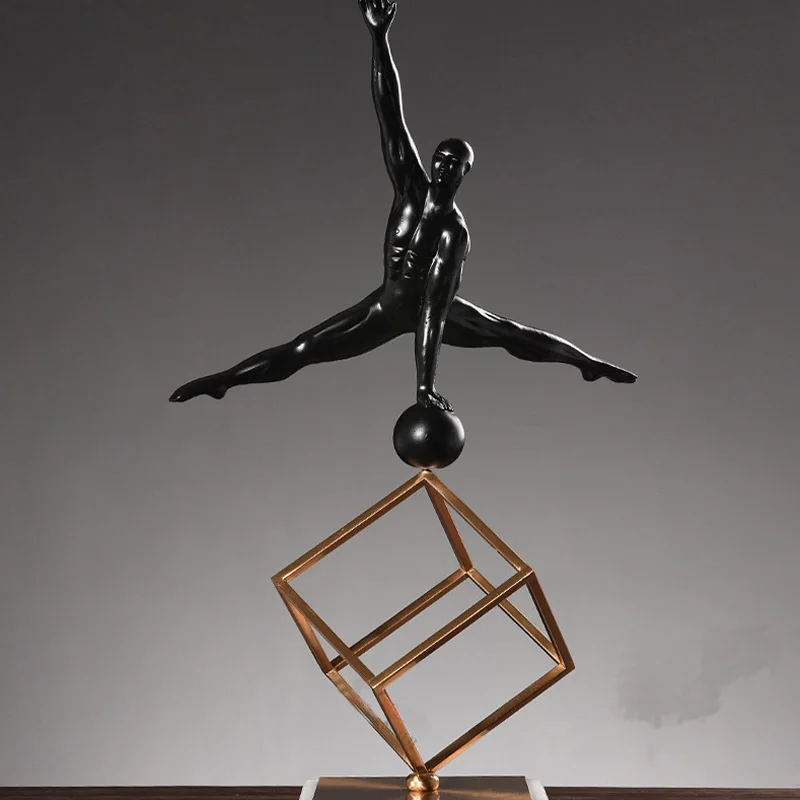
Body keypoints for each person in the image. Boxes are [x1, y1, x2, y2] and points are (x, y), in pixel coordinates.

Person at [170, 0, 636, 411]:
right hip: (387, 306)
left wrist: (424, 387)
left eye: (454, 164)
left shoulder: (453, 234)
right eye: (441, 159)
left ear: (464, 173)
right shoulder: (410, 187)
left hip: (434, 310)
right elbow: (389, 111)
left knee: (511, 334)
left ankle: (585, 363)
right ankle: (224, 381)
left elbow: (433, 311)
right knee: (303, 349)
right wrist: (379, 37)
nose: (444, 166)